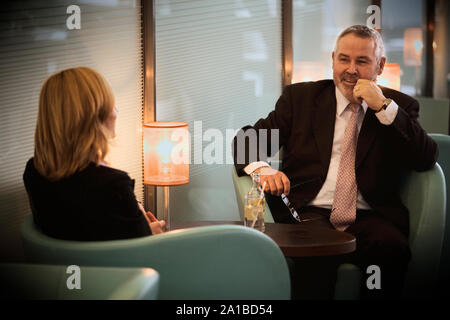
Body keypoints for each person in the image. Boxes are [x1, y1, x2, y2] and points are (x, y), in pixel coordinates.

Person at [233, 25, 438, 299]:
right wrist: (263, 169)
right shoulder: (301, 99)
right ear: (333, 60)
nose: (351, 69)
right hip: (308, 210)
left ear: (380, 65)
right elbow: (247, 139)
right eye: (344, 59)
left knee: (390, 249)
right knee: (317, 256)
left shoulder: (398, 106)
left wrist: (383, 107)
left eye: (362, 61)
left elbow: (426, 157)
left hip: (369, 215)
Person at [23, 67, 165, 241]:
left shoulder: (34, 172)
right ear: (94, 117)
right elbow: (138, 252)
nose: (117, 112)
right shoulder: (113, 186)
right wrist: (150, 234)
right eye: (112, 105)